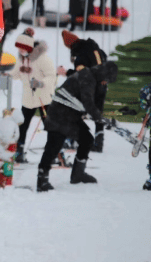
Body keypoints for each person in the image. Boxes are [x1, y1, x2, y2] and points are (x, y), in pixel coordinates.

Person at [37, 62, 117, 191]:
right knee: (53, 146)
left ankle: (78, 174)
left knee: (86, 139)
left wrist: (99, 116)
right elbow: (88, 102)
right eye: (106, 80)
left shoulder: (91, 77)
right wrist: (99, 118)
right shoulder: (88, 78)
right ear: (103, 74)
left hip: (70, 115)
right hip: (59, 114)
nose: (105, 83)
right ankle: (42, 180)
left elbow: (90, 104)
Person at [5, 28, 56, 163]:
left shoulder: (42, 58)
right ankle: (19, 151)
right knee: (23, 125)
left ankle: (56, 152)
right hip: (28, 98)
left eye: (23, 47)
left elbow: (52, 76)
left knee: (50, 125)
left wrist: (40, 83)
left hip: (43, 97)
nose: (20, 50)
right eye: (19, 47)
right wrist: (8, 75)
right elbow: (16, 73)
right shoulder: (21, 58)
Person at [57, 30, 108, 152]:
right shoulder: (96, 49)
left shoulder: (80, 57)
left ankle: (72, 140)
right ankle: (99, 142)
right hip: (102, 84)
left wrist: (66, 72)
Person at [0, 109, 23, 188]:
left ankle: (2, 181)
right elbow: (17, 135)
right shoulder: (14, 124)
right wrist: (13, 140)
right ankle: (8, 181)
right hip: (11, 145)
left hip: (1, 145)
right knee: (9, 164)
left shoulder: (0, 122)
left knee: (1, 163)